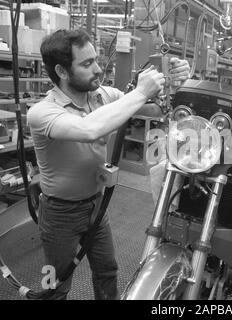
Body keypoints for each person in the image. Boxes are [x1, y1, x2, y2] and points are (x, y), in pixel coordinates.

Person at [27, 29, 190, 300]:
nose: (98, 69)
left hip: (97, 206)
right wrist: (139, 91)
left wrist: (171, 83)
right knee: (55, 284)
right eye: (87, 63)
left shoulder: (102, 95)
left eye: (96, 60)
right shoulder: (42, 112)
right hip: (59, 214)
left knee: (108, 270)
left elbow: (156, 110)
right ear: (62, 71)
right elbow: (88, 129)